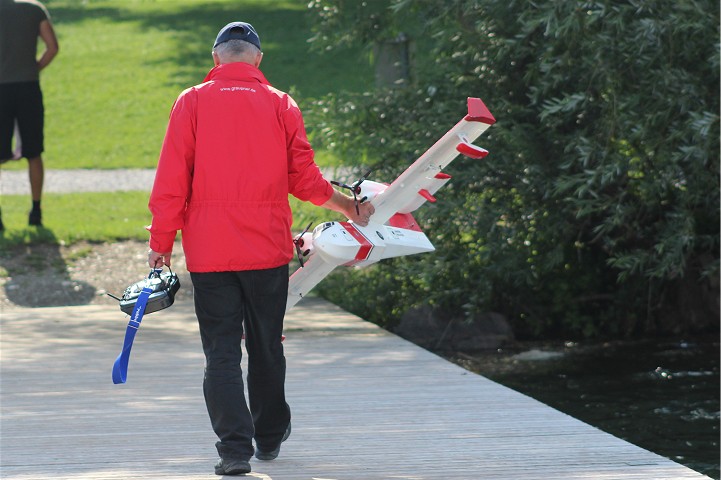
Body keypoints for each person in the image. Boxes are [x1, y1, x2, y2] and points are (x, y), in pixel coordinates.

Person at [146, 21, 374, 476]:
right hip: (267, 250)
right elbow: (304, 179)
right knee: (267, 345)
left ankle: (234, 451)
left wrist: (161, 245)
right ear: (258, 60)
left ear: (216, 59)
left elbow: (172, 181)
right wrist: (350, 207)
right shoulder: (280, 104)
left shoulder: (190, 102)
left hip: (210, 254)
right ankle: (268, 437)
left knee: (222, 353)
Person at [0, 0, 59, 229]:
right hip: (28, 87)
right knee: (34, 151)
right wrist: (33, 68)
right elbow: (52, 47)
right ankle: (36, 211)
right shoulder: (34, 9)